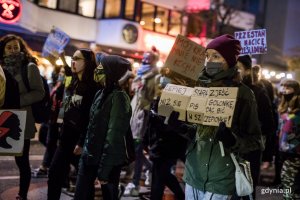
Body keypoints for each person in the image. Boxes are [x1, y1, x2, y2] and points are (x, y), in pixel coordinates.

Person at [168, 34, 263, 200]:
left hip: (221, 177)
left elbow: (255, 141)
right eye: (207, 55)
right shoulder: (197, 87)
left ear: (230, 60)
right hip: (193, 173)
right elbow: (196, 133)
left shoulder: (244, 94)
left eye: (216, 56)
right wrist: (178, 126)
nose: (209, 60)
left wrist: (232, 140)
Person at [74, 55, 132, 200]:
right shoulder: (100, 93)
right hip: (90, 158)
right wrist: (84, 154)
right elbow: (91, 126)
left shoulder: (119, 97)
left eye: (100, 69)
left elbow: (114, 137)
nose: (96, 71)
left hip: (108, 162)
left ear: (110, 72)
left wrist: (104, 171)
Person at [47, 48, 99, 200]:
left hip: (79, 142)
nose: (73, 61)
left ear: (87, 62)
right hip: (66, 138)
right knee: (56, 174)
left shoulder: (93, 87)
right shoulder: (74, 81)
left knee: (85, 181)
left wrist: (82, 141)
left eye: (77, 58)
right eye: (73, 58)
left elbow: (92, 117)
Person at [0, 34, 45, 200]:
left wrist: (17, 100)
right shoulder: (0, 67)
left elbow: (39, 93)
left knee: (22, 161)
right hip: (1, 117)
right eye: (9, 47)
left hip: (21, 120)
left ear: (21, 49)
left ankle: (22, 195)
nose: (12, 51)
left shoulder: (29, 67)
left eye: (16, 47)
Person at [143, 68, 186, 200]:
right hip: (160, 145)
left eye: (166, 77)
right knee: (161, 176)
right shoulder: (160, 97)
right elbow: (152, 124)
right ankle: (180, 195)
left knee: (159, 178)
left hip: (166, 146)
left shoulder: (173, 100)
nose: (162, 80)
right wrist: (146, 140)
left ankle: (180, 196)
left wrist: (156, 118)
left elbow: (166, 125)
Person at [236, 55, 275, 199]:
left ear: (247, 71)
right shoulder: (229, 90)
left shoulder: (258, 92)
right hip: (231, 149)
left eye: (238, 68)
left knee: (247, 188)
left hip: (250, 149)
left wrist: (252, 128)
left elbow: (270, 124)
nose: (234, 71)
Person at [124, 48, 159, 196]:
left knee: (137, 149)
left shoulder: (156, 77)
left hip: (144, 116)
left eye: (148, 58)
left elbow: (157, 98)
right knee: (136, 149)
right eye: (143, 57)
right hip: (134, 113)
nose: (144, 60)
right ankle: (151, 169)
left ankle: (136, 181)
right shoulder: (140, 74)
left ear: (154, 60)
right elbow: (133, 90)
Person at [33, 66, 66, 177]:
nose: (61, 74)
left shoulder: (67, 86)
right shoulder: (57, 84)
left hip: (57, 120)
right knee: (44, 138)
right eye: (61, 72)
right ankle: (49, 164)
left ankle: (46, 167)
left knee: (51, 142)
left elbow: (62, 105)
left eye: (64, 73)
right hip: (50, 118)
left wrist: (60, 121)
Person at [277, 79, 300, 200]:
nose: (284, 90)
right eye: (283, 87)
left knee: (290, 184)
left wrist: (292, 148)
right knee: (287, 183)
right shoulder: (285, 109)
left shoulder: (297, 111)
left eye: (288, 87)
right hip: (285, 153)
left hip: (295, 155)